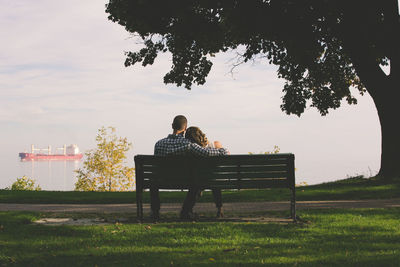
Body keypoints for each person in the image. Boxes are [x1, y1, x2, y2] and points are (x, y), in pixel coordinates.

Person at [153, 115, 229, 221]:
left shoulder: (158, 144)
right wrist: (223, 150)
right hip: (185, 180)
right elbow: (208, 153)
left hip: (162, 179)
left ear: (172, 126)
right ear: (185, 128)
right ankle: (186, 211)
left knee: (155, 182)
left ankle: (155, 213)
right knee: (196, 182)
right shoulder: (189, 144)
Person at [185, 126, 225, 218]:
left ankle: (189, 209)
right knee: (215, 182)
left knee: (197, 183)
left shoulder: (188, 147)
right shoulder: (209, 146)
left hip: (195, 179)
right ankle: (220, 209)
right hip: (210, 178)